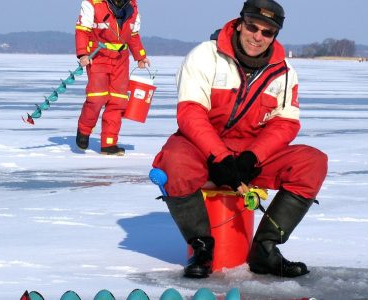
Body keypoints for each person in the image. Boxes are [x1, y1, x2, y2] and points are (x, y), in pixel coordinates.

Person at [152, 0, 328, 279]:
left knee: (312, 163)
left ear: (275, 35)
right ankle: (201, 248)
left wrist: (252, 157)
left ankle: (264, 250)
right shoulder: (205, 56)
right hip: (199, 147)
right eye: (252, 27)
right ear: (240, 22)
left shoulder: (284, 72)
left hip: (249, 153)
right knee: (174, 162)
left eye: (267, 32)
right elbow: (191, 114)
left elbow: (285, 123)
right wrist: (219, 157)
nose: (257, 36)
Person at [75, 0, 150, 155]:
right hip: (98, 55)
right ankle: (84, 129)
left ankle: (109, 143)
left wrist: (140, 56)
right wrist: (83, 53)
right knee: (96, 98)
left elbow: (133, 35)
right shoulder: (92, 3)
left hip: (120, 59)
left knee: (118, 101)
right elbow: (82, 30)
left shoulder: (133, 7)